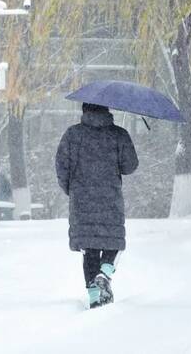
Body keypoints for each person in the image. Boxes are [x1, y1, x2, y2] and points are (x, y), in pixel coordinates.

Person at [55, 102, 138, 308]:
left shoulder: (72, 135)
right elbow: (130, 166)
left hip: (82, 198)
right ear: (107, 109)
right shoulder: (118, 134)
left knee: (89, 248)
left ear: (84, 110)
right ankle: (105, 272)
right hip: (109, 197)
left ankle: (94, 296)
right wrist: (122, 142)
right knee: (113, 241)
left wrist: (72, 190)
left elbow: (61, 166)